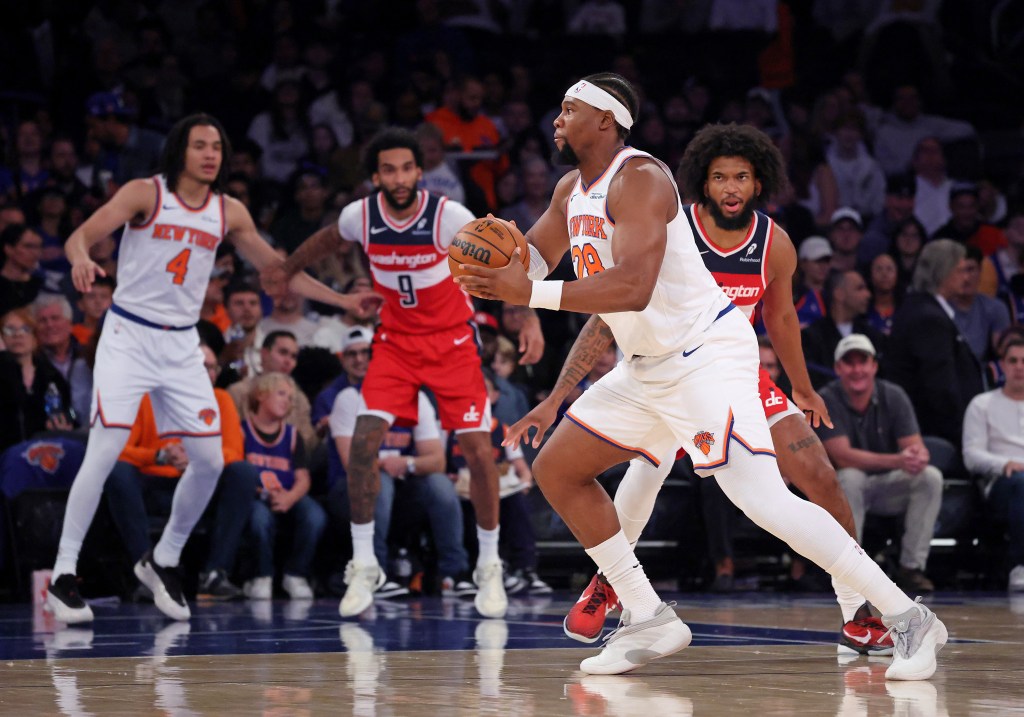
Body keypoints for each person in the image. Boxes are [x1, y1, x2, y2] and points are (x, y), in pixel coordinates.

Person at [455, 72, 944, 680]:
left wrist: (528, 293)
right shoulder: (569, 190)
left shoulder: (641, 179)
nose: (556, 119)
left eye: (569, 108)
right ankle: (646, 616)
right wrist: (488, 263)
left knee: (765, 502)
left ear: (605, 120)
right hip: (646, 365)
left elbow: (632, 288)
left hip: (704, 357)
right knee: (556, 468)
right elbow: (529, 260)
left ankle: (908, 617)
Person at [43, 113, 374, 625]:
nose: (210, 154)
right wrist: (81, 259)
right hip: (129, 335)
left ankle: (164, 559)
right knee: (105, 449)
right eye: (200, 145)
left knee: (210, 461)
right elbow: (79, 237)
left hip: (181, 343)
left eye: (217, 146)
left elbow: (279, 271)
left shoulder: (228, 211)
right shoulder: (145, 193)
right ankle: (63, 575)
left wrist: (344, 302)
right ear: (181, 151)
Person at [269, 127, 545, 620]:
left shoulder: (448, 216)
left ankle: (488, 565)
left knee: (478, 450)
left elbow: (509, 257)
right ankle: (364, 565)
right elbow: (324, 241)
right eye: (388, 170)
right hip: (395, 343)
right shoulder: (360, 216)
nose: (398, 178)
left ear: (420, 172)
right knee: (362, 446)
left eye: (406, 169)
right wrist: (286, 268)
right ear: (375, 177)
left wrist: (530, 318)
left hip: (451, 343)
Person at [102, 344, 256, 604]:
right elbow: (119, 449)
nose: (209, 373)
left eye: (213, 367)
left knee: (243, 472)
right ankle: (147, 573)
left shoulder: (220, 399)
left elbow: (233, 451)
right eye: (201, 367)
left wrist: (199, 456)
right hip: (154, 481)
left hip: (200, 481)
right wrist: (159, 455)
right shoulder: (146, 398)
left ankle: (214, 574)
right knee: (117, 471)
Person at [817, 335, 942, 594]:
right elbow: (842, 457)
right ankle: (850, 570)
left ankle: (911, 568)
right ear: (838, 368)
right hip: (842, 490)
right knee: (851, 477)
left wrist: (918, 457)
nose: (857, 370)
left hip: (887, 485)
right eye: (849, 363)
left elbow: (914, 446)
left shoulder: (893, 395)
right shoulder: (827, 398)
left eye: (863, 362)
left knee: (930, 477)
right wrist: (899, 460)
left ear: (874, 366)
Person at [885, 240, 985, 448]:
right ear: (943, 272)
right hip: (936, 434)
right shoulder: (929, 318)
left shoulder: (922, 307)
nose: (966, 278)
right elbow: (940, 388)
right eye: (960, 270)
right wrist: (963, 436)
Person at [240, 372, 326, 601]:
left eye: (290, 398)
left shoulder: (293, 435)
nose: (286, 401)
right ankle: (261, 575)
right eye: (281, 394)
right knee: (259, 518)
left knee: (315, 516)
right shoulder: (242, 431)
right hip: (255, 496)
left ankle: (296, 574)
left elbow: (303, 478)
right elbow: (237, 476)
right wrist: (264, 493)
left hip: (288, 495)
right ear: (260, 395)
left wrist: (290, 497)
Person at [962, 336, 1024, 591]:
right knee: (1021, 483)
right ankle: (1020, 566)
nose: (1019, 367)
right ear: (1002, 365)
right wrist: (1005, 463)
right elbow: (971, 455)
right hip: (1001, 482)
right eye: (1013, 361)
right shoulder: (982, 404)